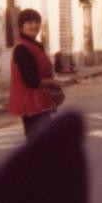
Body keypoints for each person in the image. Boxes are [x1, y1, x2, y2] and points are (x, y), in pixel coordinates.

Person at [9, 8, 61, 138]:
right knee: (39, 143)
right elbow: (32, 81)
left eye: (37, 22)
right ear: (21, 27)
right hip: (30, 104)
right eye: (29, 22)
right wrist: (53, 82)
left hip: (39, 103)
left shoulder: (34, 45)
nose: (34, 25)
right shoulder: (22, 48)